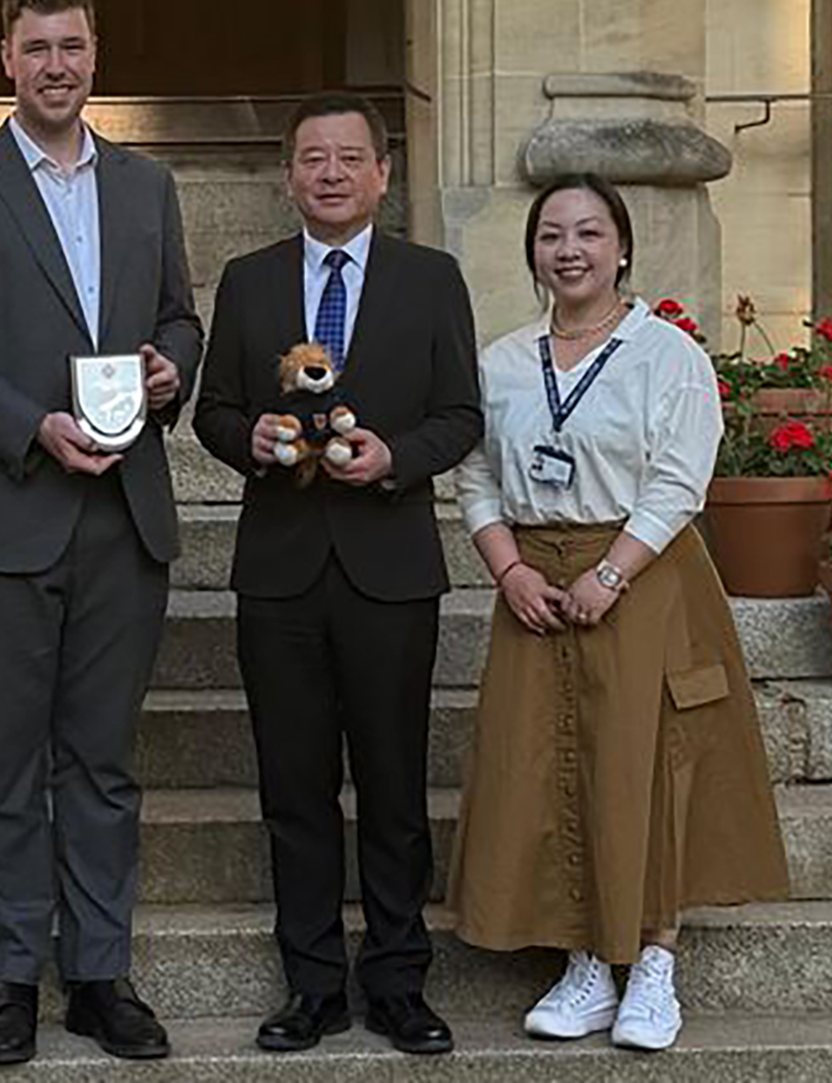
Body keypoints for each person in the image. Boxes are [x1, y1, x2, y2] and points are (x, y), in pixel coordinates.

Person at [0, 0, 203, 1066]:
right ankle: (9, 977)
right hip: (7, 508)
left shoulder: (144, 184)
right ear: (6, 61)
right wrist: (32, 425)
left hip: (123, 512)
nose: (57, 66)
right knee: (3, 761)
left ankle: (99, 975)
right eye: (37, 49)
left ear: (94, 55)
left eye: (72, 46)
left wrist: (174, 366)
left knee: (105, 760)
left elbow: (176, 311)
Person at [447, 173, 789, 1052]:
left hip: (641, 575)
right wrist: (509, 569)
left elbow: (680, 477)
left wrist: (613, 572)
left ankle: (655, 962)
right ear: (532, 253)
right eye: (553, 234)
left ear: (623, 248)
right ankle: (586, 959)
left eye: (590, 233)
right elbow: (476, 473)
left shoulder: (664, 353)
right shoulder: (505, 361)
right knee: (544, 759)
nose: (570, 250)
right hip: (536, 577)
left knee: (649, 760)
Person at [192, 91, 480, 1057]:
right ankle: (312, 984)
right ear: (288, 176)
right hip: (279, 571)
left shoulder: (431, 278)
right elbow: (214, 411)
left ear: (383, 173)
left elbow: (461, 414)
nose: (330, 173)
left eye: (349, 158)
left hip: (390, 566)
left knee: (395, 786)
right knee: (295, 786)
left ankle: (399, 981)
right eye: (312, 158)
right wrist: (254, 439)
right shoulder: (248, 280)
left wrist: (394, 456)